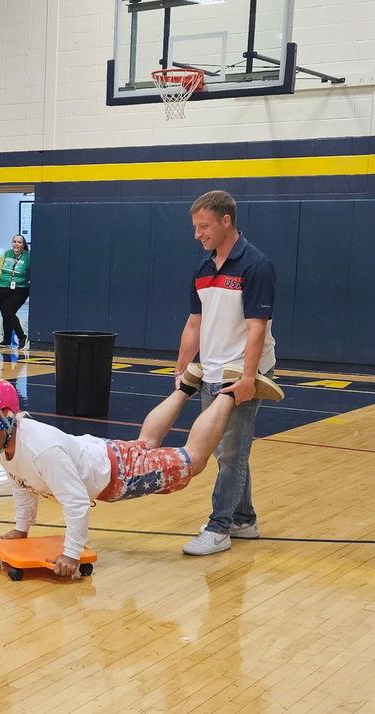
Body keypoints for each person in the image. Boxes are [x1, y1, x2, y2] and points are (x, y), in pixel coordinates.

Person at [0, 369, 283, 575]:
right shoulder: (3, 444)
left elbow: (76, 503)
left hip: (119, 474)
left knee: (194, 460)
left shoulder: (41, 450)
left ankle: (229, 390)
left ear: (6, 420)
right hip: (102, 454)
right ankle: (188, 384)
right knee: (145, 444)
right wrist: (21, 529)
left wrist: (72, 554)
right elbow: (21, 483)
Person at [175, 190, 278, 556]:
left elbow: (256, 327)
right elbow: (194, 323)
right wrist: (181, 368)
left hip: (241, 371)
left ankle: (219, 529)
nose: (197, 234)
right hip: (212, 370)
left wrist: (248, 378)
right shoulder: (203, 269)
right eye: (195, 227)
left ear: (226, 221)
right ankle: (244, 519)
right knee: (224, 451)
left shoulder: (255, 265)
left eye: (203, 226)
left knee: (232, 452)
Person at [0, 234, 31, 349]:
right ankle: (6, 340)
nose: (16, 244)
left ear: (23, 244)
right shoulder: (8, 253)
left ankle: (22, 336)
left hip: (20, 289)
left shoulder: (28, 256)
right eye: (14, 241)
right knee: (5, 315)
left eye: (19, 242)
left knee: (8, 312)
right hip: (2, 287)